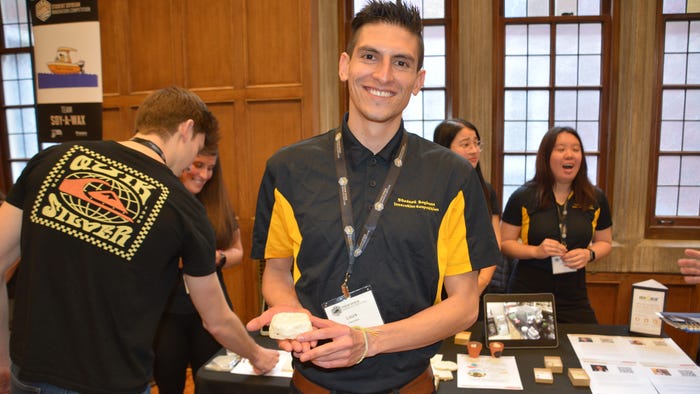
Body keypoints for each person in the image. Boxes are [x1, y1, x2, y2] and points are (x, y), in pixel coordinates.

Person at [246, 1, 500, 393]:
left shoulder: (452, 175)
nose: (384, 75)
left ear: (418, 80)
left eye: (401, 63)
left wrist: (369, 341)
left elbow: (464, 304)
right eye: (370, 56)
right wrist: (292, 316)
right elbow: (277, 271)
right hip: (312, 383)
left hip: (409, 384)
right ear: (345, 65)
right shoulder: (288, 168)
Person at [0, 86, 278, 394]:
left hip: (27, 372)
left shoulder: (52, 159)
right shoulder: (182, 207)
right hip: (111, 382)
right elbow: (217, 320)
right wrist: (258, 355)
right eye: (197, 147)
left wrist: (1, 357)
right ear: (187, 129)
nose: (190, 165)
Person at [500, 126, 613, 324]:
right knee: (527, 353)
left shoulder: (596, 198)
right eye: (561, 149)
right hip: (528, 291)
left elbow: (605, 242)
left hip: (574, 294)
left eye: (576, 149)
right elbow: (505, 242)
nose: (569, 155)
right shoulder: (523, 196)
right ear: (546, 156)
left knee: (584, 347)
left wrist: (589, 254)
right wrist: (536, 251)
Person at [153, 149, 243, 393]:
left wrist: (218, 258)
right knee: (169, 381)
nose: (204, 175)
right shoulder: (160, 201)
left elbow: (238, 251)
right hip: (167, 313)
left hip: (210, 310)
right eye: (198, 165)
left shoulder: (217, 203)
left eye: (211, 168)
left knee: (213, 380)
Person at [433, 118, 502, 295]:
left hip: (478, 283)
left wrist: (481, 282)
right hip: (436, 284)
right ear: (443, 148)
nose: (474, 150)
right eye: (465, 144)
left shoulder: (486, 190)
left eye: (476, 143)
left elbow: (494, 242)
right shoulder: (430, 190)